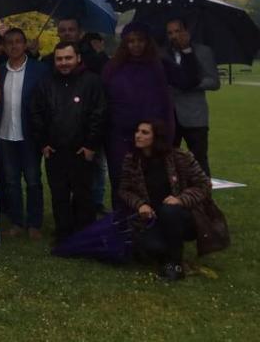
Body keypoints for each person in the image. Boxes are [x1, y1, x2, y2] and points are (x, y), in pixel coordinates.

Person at [119, 119, 229, 281]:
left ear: (156, 137)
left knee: (169, 210)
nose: (138, 136)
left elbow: (204, 184)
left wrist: (181, 199)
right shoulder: (132, 160)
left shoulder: (179, 157)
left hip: (183, 216)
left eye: (145, 132)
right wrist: (140, 204)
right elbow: (124, 190)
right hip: (152, 218)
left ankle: (175, 264)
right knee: (150, 248)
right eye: (137, 131)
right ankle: (166, 251)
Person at [102, 22, 191, 208]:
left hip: (152, 134)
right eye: (131, 41)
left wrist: (185, 50)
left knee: (154, 180)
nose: (136, 45)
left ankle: (154, 224)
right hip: (119, 135)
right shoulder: (113, 67)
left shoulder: (160, 64)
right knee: (121, 179)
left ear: (147, 42)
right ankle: (123, 223)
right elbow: (104, 100)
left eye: (140, 40)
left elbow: (186, 80)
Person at [30, 42, 106, 242]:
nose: (63, 63)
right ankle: (63, 234)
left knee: (83, 195)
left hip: (82, 150)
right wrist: (43, 143)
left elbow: (99, 114)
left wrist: (91, 145)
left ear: (78, 58)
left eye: (68, 58)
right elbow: (36, 113)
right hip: (54, 150)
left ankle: (86, 235)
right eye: (59, 59)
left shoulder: (92, 82)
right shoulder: (46, 82)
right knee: (59, 195)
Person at [0, 28, 49, 239]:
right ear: (4, 46)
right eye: (9, 42)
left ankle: (34, 223)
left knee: (33, 180)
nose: (14, 46)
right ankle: (17, 222)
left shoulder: (39, 69)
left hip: (29, 134)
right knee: (11, 181)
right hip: (5, 134)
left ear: (25, 44)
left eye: (18, 41)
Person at [164, 18, 220, 177]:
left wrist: (190, 84)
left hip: (195, 116)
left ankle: (203, 199)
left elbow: (214, 82)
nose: (174, 36)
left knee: (199, 161)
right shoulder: (163, 54)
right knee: (168, 160)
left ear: (187, 32)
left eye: (177, 31)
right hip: (170, 116)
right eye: (170, 33)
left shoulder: (203, 51)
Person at [40, 18, 109, 75]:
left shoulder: (91, 59)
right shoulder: (49, 60)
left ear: (80, 32)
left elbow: (107, 74)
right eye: (63, 30)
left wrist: (101, 54)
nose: (67, 33)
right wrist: (33, 55)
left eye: (71, 30)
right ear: (58, 34)